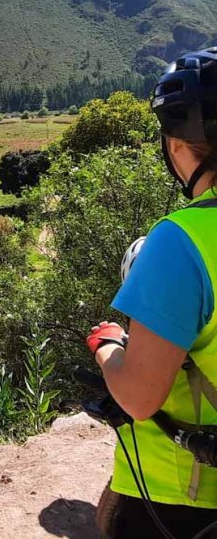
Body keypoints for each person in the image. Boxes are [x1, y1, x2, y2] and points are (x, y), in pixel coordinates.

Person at [86, 48, 217, 538]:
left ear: (180, 146)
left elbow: (140, 397)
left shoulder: (182, 240)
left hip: (184, 496)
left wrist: (109, 348)